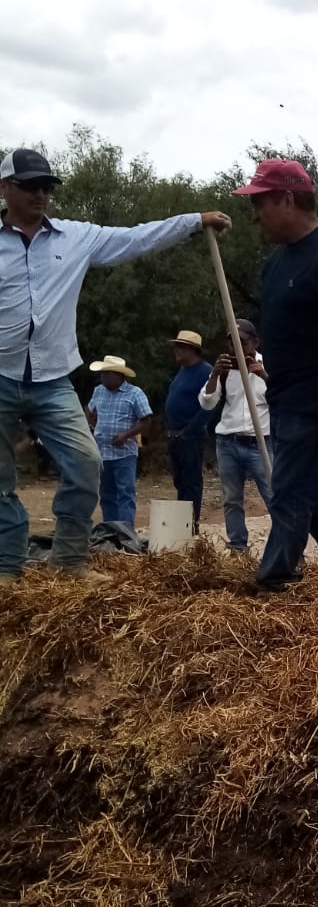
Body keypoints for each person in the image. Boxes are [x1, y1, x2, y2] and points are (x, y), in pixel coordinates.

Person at [0, 147, 231, 583]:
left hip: (53, 380)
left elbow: (135, 237)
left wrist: (194, 221)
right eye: (30, 186)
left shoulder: (75, 238)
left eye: (46, 186)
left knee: (87, 462)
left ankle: (68, 562)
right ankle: (6, 567)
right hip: (1, 375)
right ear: (4, 188)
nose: (40, 194)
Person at [232, 159, 318, 592]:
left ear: (289, 199)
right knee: (307, 488)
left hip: (314, 400)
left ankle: (276, 578)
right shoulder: (276, 263)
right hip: (283, 394)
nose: (255, 215)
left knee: (288, 490)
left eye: (261, 203)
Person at [197, 319, 272, 553]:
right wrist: (214, 375)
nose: (237, 348)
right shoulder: (224, 369)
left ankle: (288, 547)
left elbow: (283, 401)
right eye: (233, 344)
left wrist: (265, 376)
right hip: (228, 441)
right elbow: (207, 404)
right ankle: (238, 547)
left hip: (260, 442)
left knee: (274, 496)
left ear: (255, 342)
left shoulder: (267, 365)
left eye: (243, 343)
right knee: (231, 499)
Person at [86, 355, 153, 526]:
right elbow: (90, 410)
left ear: (119, 375)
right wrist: (91, 423)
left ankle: (125, 530)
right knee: (107, 493)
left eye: (107, 373)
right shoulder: (99, 391)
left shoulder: (135, 393)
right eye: (102, 374)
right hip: (102, 451)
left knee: (125, 492)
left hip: (124, 453)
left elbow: (146, 420)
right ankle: (110, 528)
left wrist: (126, 435)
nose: (103, 377)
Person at [164, 329, 212, 532]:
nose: (176, 351)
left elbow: (209, 405)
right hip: (175, 434)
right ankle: (182, 524)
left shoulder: (205, 371)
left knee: (191, 482)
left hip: (190, 435)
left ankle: (190, 525)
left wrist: (189, 430)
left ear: (192, 350)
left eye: (180, 347)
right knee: (180, 481)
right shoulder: (182, 370)